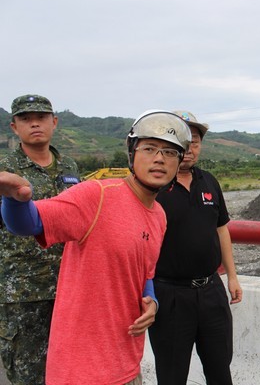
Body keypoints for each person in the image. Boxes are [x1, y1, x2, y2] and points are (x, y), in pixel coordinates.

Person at [0, 110, 192, 384]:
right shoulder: (97, 195)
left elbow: (145, 274)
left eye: (170, 153)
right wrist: (16, 199)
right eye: (149, 148)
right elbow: (29, 223)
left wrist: (152, 302)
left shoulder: (159, 216)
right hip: (81, 370)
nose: (159, 158)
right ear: (132, 154)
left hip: (126, 363)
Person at [149, 110, 242, 385]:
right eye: (181, 138)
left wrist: (232, 277)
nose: (189, 148)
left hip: (212, 291)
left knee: (220, 370)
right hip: (169, 295)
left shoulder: (209, 181)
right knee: (172, 374)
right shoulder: (153, 186)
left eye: (195, 141)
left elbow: (221, 228)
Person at [0, 94, 79, 384]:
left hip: (68, 287)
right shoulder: (4, 169)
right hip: (22, 292)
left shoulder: (69, 166)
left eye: (42, 117)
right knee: (28, 375)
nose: (34, 123)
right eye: (25, 118)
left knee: (69, 371)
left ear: (54, 122)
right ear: (13, 127)